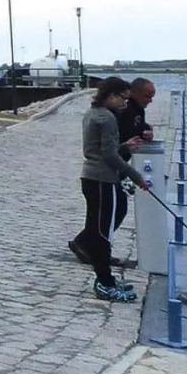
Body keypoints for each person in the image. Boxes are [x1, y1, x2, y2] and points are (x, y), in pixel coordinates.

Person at [72, 77, 150, 302]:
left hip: (91, 177)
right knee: (103, 235)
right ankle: (104, 283)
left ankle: (106, 278)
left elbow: (101, 149)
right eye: (123, 98)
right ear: (111, 95)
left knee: (97, 231)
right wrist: (136, 176)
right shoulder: (107, 118)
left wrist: (125, 146)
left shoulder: (92, 113)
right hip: (102, 180)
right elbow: (108, 156)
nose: (126, 103)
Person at [112, 78, 156, 232]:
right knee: (116, 209)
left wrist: (147, 133)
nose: (150, 100)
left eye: (152, 97)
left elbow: (138, 129)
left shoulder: (138, 110)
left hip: (121, 166)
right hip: (112, 166)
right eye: (147, 96)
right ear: (135, 93)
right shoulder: (124, 110)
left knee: (117, 209)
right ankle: (91, 242)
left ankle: (92, 242)